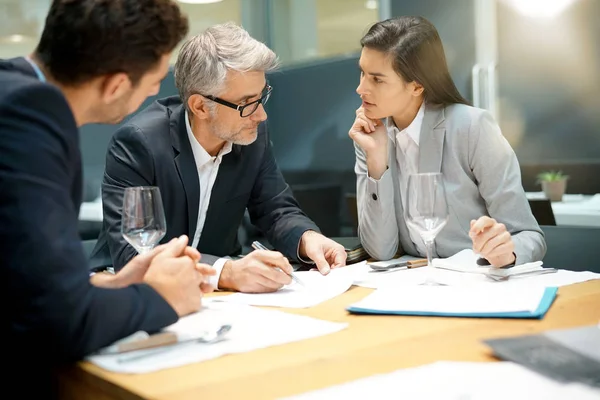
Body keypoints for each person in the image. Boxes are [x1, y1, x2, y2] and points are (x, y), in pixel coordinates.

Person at [0, 0, 213, 396]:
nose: (156, 95)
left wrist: (113, 286)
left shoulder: (12, 89)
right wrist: (160, 298)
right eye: (153, 85)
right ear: (116, 84)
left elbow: (19, 288)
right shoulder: (28, 114)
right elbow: (56, 323)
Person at [89, 22, 347, 293]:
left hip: (220, 297)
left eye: (262, 97)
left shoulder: (250, 134)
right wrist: (226, 272)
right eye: (247, 103)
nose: (261, 115)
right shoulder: (139, 143)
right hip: (131, 292)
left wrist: (308, 239)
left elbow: (275, 209)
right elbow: (135, 255)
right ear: (200, 106)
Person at [348, 16, 546, 267]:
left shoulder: (472, 127)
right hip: (414, 285)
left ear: (417, 86)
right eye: (362, 73)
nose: (360, 88)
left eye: (377, 79)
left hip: (478, 281)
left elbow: (530, 236)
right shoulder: (370, 136)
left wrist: (507, 252)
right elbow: (381, 250)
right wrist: (377, 160)